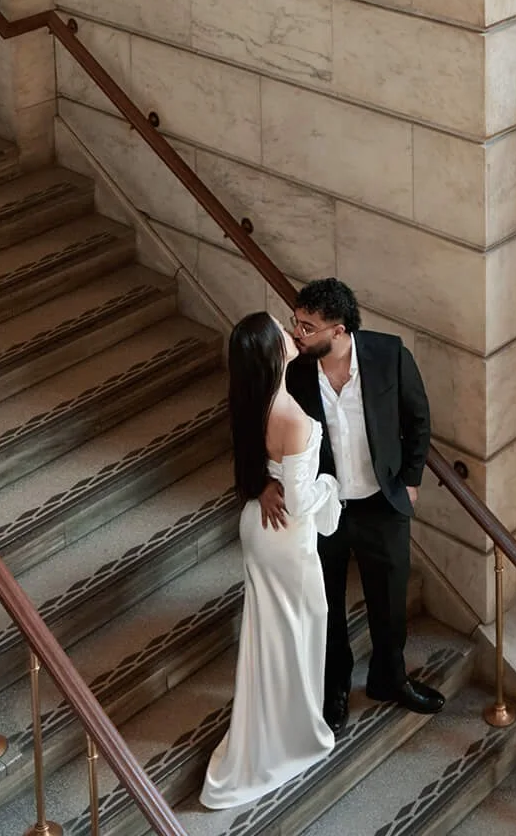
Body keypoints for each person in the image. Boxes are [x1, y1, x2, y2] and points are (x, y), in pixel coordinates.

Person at [265, 278, 444, 731]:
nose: (297, 333)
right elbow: (260, 426)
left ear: (339, 330)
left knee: (390, 603)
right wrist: (263, 484)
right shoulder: (294, 370)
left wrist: (411, 480)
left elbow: (418, 419)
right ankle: (336, 688)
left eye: (307, 327)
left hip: (381, 504)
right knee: (326, 605)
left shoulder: (389, 354)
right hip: (322, 509)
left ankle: (390, 679)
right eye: (296, 322)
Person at [200, 313, 342, 810]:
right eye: (283, 329)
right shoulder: (292, 417)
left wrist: (262, 484)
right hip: (286, 537)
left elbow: (254, 459)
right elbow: (300, 503)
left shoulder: (252, 400)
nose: (291, 332)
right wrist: (332, 486)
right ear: (272, 350)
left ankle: (276, 727)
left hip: (260, 528)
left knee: (273, 634)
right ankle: (290, 738)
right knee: (299, 628)